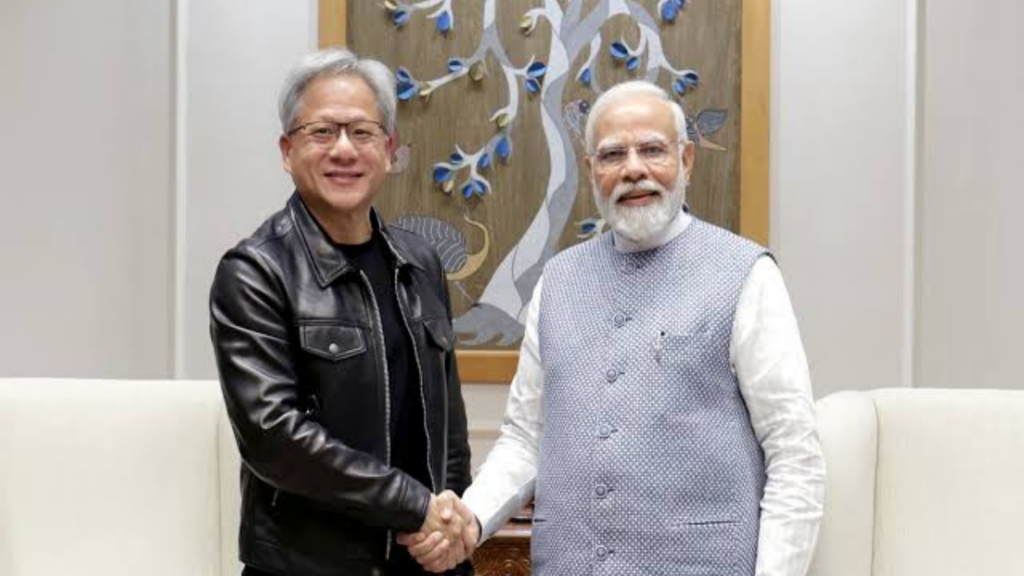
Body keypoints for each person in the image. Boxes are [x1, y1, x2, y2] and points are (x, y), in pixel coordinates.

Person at [404, 80, 826, 575]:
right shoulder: (557, 281)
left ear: (687, 160)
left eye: (652, 150)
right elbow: (525, 437)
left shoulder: (746, 274)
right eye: (612, 155)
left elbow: (794, 454)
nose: (633, 169)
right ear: (590, 170)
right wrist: (471, 519)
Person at [209, 48, 474, 576]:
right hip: (308, 565)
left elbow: (449, 421)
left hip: (423, 557)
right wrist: (413, 505)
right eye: (322, 132)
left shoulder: (419, 261)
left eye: (362, 132)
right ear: (287, 150)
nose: (344, 150)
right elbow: (274, 438)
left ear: (390, 148)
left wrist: (450, 522)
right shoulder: (255, 271)